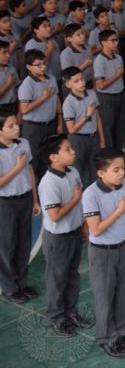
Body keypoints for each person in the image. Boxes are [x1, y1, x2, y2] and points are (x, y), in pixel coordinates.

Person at [82, 148, 125, 357]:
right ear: (101, 173)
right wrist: (118, 211)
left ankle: (120, 333)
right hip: (102, 253)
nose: (121, 173)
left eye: (123, 168)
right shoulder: (90, 194)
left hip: (123, 247)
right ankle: (106, 339)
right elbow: (96, 229)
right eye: (115, 170)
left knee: (122, 294)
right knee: (105, 296)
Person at [38, 134, 89, 336]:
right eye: (67, 149)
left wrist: (83, 226)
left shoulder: (73, 172)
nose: (73, 151)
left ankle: (70, 312)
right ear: (53, 157)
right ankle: (56, 319)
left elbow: (82, 202)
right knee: (57, 279)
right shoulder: (49, 182)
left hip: (75, 233)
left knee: (72, 275)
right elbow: (55, 214)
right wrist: (76, 199)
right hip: (58, 239)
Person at [0, 106, 39, 305]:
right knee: (6, 245)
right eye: (11, 125)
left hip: (24, 199)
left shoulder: (24, 143)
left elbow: (30, 171)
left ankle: (21, 283)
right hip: (5, 203)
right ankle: (9, 287)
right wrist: (16, 168)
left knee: (24, 243)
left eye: (17, 123)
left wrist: (35, 199)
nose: (17, 127)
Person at [61, 66, 104, 184]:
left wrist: (102, 139)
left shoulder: (92, 94)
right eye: (76, 81)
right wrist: (87, 116)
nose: (81, 83)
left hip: (93, 137)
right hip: (78, 140)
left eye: (82, 79)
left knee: (95, 170)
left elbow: (98, 118)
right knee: (77, 171)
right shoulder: (68, 103)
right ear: (68, 84)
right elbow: (71, 129)